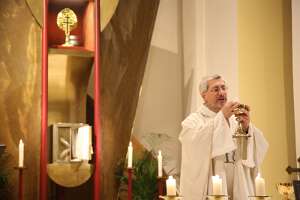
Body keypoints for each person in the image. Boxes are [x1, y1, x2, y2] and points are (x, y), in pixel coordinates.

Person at [178, 75, 268, 200]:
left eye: (223, 88)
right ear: (203, 95)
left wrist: (247, 128)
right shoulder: (193, 121)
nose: (221, 93)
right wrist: (222, 117)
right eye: (215, 89)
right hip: (213, 189)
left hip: (238, 185)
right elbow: (193, 147)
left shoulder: (235, 119)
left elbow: (255, 151)